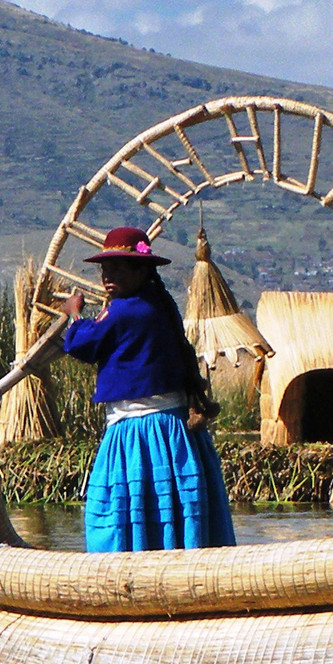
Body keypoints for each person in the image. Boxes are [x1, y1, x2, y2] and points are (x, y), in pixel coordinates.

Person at [60, 226, 235, 553]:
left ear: (143, 270)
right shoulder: (160, 303)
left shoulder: (125, 310)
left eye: (119, 268)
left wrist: (74, 315)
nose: (108, 277)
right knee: (171, 509)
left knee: (113, 513)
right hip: (173, 427)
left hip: (140, 430)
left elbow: (83, 343)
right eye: (105, 269)